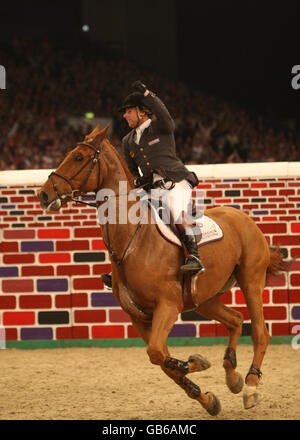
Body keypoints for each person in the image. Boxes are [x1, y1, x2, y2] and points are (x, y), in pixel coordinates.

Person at [101, 81, 205, 289]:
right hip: (151, 188)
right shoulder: (128, 140)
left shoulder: (160, 126)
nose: (125, 116)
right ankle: (121, 269)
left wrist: (147, 93)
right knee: (124, 215)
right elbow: (130, 171)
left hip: (175, 181)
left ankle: (194, 256)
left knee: (175, 208)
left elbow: (163, 112)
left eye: (129, 111)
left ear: (142, 113)